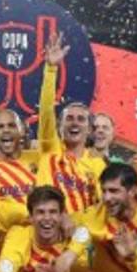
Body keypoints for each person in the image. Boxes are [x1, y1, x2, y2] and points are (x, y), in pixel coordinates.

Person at [35, 33, 105, 216]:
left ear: (90, 129)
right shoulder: (50, 149)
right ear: (60, 126)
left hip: (80, 237)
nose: (74, 123)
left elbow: (101, 207)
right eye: (69, 118)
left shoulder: (98, 166)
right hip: (48, 232)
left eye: (81, 119)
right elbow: (46, 109)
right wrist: (51, 69)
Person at [0, 109, 39, 204]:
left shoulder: (38, 158)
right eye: (0, 127)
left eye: (12, 125)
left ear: (22, 131)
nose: (6, 130)